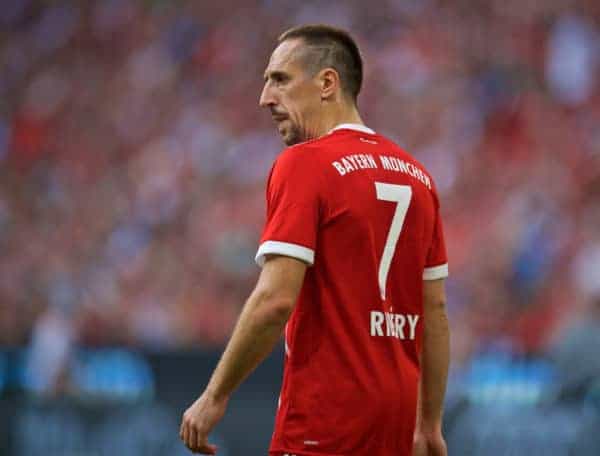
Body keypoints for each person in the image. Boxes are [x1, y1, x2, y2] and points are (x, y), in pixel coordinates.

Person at [180, 24, 450, 456]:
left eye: (280, 80)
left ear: (327, 83)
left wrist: (215, 396)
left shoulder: (305, 165)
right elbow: (433, 311)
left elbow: (275, 300)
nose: (265, 98)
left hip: (322, 428)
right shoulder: (419, 178)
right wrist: (429, 424)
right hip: (394, 431)